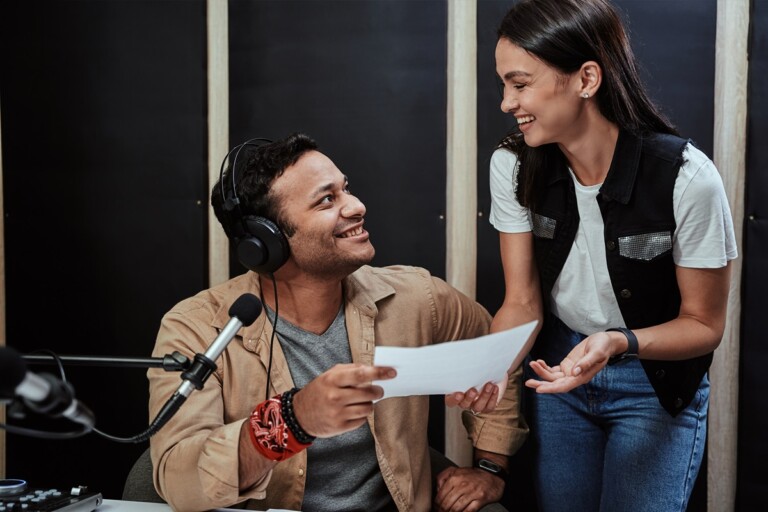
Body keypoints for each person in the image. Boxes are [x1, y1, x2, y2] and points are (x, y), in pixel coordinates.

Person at [147, 132, 528, 512]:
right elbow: (180, 480)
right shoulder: (197, 329)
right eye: (327, 200)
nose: (357, 206)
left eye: (346, 189)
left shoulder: (417, 296)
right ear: (265, 240)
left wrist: (490, 466)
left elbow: (501, 351)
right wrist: (292, 421)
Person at [487, 1, 738, 511]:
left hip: (652, 382)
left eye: (520, 84)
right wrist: (485, 370)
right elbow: (521, 302)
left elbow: (704, 325)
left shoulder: (688, 178)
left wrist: (617, 342)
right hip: (559, 372)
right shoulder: (511, 165)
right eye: (504, 85)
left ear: (586, 79)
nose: (507, 103)